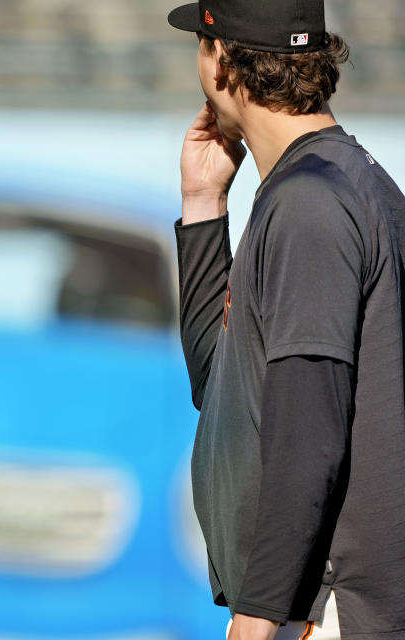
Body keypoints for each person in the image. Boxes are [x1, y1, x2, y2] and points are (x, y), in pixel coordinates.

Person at [167, 1, 405, 639]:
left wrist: (259, 615)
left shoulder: (310, 205)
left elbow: (309, 434)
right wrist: (202, 204)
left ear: (221, 61)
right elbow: (221, 387)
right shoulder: (332, 185)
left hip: (328, 608)